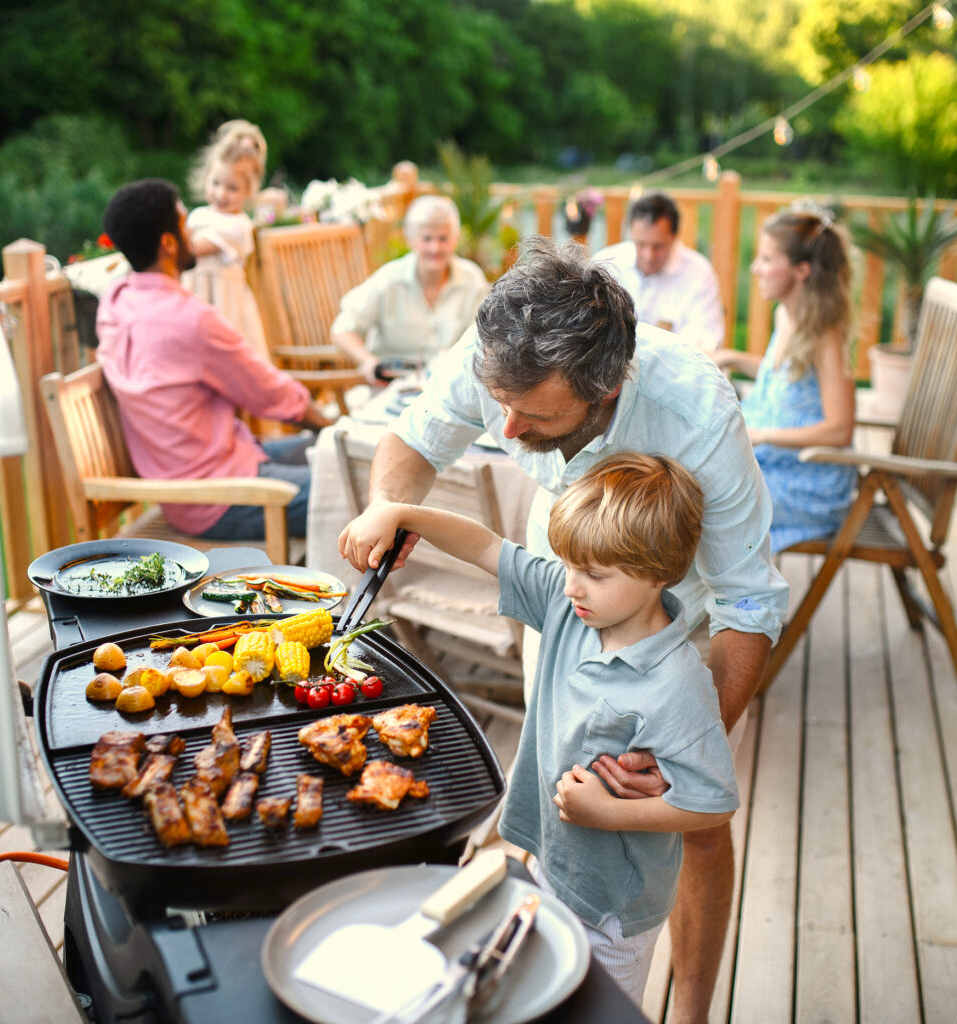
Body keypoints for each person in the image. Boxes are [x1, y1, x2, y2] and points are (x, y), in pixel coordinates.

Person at [337, 236, 786, 1024]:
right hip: (569, 584)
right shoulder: (500, 352)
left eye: (533, 414)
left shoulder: (696, 413)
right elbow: (412, 442)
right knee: (557, 776)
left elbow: (749, 603)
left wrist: (684, 745)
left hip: (678, 613)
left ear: (605, 389)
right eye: (497, 402)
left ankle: (691, 1011)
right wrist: (387, 504)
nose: (504, 430)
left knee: (693, 831)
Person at [350, 453, 737, 1006]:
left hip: (615, 910)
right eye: (569, 565)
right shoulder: (570, 605)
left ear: (659, 574)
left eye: (594, 575)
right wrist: (402, 513)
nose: (572, 586)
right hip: (551, 862)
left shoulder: (677, 685)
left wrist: (611, 813)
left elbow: (714, 803)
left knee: (596, 1009)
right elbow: (485, 546)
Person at [97, 179, 333, 543]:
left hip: (209, 473)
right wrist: (330, 425)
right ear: (168, 243)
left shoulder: (116, 301)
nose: (193, 232)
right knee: (358, 483)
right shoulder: (190, 320)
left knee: (331, 454)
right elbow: (269, 393)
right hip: (222, 498)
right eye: (184, 223)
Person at [713, 209, 857, 552]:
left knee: (703, 503)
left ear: (801, 271)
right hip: (776, 464)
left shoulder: (825, 334)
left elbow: (840, 430)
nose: (755, 268)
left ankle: (739, 601)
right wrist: (732, 357)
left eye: (766, 259)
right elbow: (787, 376)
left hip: (810, 482)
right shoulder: (788, 314)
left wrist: (761, 435)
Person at [329, 194, 490, 383]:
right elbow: (341, 330)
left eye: (443, 238)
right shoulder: (388, 279)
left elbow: (489, 337)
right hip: (392, 385)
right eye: (427, 238)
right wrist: (369, 363)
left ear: (456, 239)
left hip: (453, 386)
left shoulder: (472, 280)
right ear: (411, 239)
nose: (435, 248)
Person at [593, 192, 726, 353]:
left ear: (674, 237)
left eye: (659, 246)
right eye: (640, 244)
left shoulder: (699, 273)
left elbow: (706, 341)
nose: (648, 256)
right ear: (631, 234)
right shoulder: (606, 263)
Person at [184, 119, 272, 362]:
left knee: (229, 362)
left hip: (224, 307)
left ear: (249, 190)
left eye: (232, 188)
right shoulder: (198, 215)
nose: (221, 193)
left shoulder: (238, 226)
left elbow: (191, 249)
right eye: (216, 183)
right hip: (194, 299)